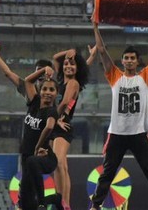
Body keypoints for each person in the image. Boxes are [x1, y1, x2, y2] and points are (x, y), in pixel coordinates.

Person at [89, 23, 148, 210]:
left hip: (139, 133)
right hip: (117, 133)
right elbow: (102, 51)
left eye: (132, 58)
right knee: (108, 173)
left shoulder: (145, 77)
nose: (129, 61)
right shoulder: (115, 76)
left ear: (138, 62)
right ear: (122, 61)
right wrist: (95, 27)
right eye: (126, 58)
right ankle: (96, 205)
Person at [50, 47, 91, 210]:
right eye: (66, 64)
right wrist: (70, 52)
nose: (68, 66)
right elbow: (55, 57)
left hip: (62, 125)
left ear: (77, 69)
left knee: (58, 162)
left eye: (72, 65)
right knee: (62, 166)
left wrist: (52, 118)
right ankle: (64, 202)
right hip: (56, 124)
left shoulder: (73, 83)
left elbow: (65, 102)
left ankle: (63, 201)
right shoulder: (62, 81)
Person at [18, 67, 60, 210]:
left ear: (56, 94)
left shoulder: (52, 111)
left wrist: (38, 146)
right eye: (45, 89)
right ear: (40, 90)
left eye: (51, 90)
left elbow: (49, 127)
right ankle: (54, 198)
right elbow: (28, 81)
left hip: (44, 157)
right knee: (25, 202)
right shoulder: (34, 102)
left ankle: (42, 202)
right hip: (26, 156)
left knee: (32, 160)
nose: (47, 93)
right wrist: (43, 71)